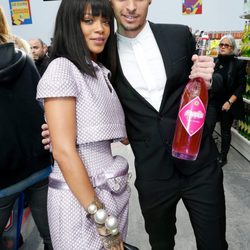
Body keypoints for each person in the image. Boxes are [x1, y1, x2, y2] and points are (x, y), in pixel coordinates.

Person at [42, 0, 228, 249]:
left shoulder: (179, 35)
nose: (130, 6)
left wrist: (211, 80)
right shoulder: (103, 56)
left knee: (215, 244)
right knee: (160, 244)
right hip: (152, 173)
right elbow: (94, 104)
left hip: (200, 167)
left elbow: (207, 87)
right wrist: (59, 130)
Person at [37, 0, 131, 249]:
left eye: (104, 21)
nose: (100, 28)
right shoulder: (62, 69)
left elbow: (123, 135)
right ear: (70, 24)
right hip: (78, 200)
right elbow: (64, 152)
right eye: (89, 21)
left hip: (110, 193)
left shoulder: (100, 71)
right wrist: (103, 221)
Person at [0, 8, 53, 250]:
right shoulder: (24, 58)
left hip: (3, 179)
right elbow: (40, 108)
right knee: (54, 237)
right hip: (39, 166)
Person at [206, 34, 246, 167]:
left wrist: (229, 102)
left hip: (228, 102)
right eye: (221, 45)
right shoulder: (214, 61)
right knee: (208, 128)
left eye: (226, 45)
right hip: (214, 101)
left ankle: (223, 156)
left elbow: (241, 86)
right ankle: (208, 154)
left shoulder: (238, 63)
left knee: (225, 130)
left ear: (232, 48)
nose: (223, 47)